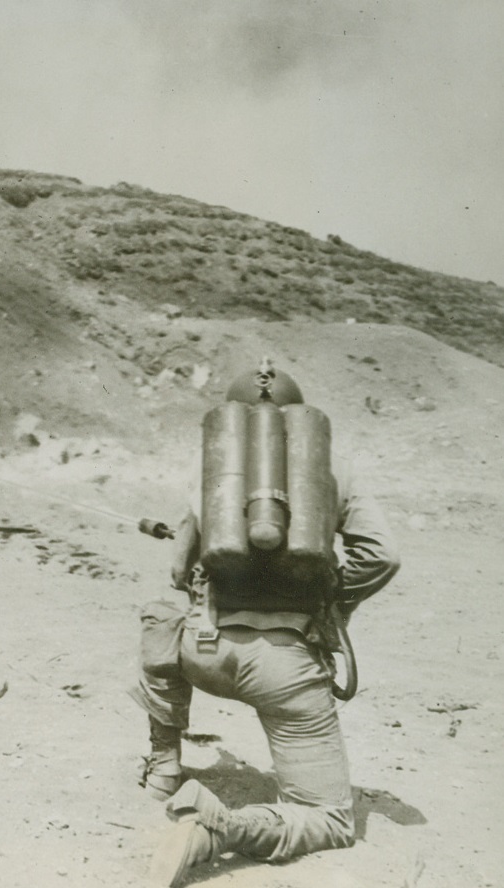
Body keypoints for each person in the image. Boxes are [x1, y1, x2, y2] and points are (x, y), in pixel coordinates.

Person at [128, 363, 400, 886]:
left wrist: (212, 583)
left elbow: (177, 570)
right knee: (329, 818)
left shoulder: (214, 461)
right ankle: (221, 830)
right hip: (284, 669)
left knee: (160, 618)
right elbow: (383, 556)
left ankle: (164, 768)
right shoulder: (332, 465)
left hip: (203, 654)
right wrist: (331, 600)